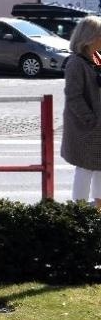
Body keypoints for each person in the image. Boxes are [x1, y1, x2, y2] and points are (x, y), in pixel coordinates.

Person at [61, 16, 101, 205]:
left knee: (100, 166)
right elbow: (73, 96)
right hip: (86, 128)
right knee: (85, 168)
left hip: (97, 126)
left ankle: (98, 207)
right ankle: (80, 210)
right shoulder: (76, 63)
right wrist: (90, 119)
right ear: (89, 38)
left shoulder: (97, 58)